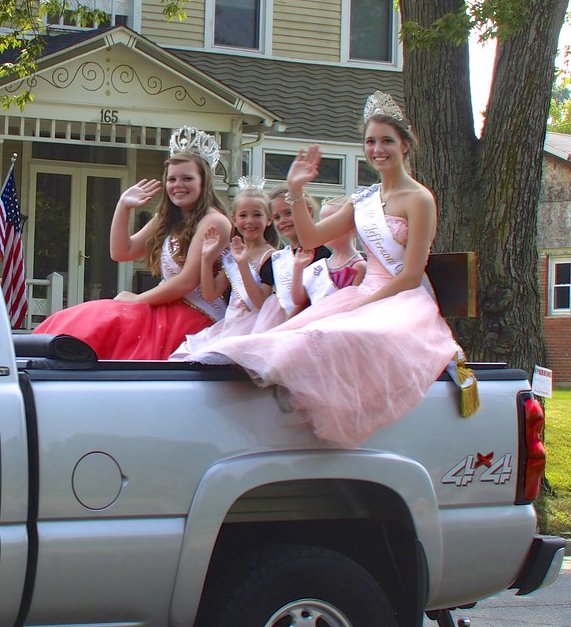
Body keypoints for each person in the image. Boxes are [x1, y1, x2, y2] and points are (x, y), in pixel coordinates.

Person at [177, 92, 461, 448]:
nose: (378, 149)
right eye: (370, 141)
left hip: (403, 299)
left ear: (404, 145)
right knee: (295, 337)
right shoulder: (366, 200)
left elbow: (409, 274)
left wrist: (361, 304)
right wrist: (296, 190)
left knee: (336, 335)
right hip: (362, 296)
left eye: (387, 141)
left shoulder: (420, 199)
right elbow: (310, 236)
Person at [33, 126, 233, 360]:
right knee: (90, 316)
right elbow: (121, 251)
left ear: (204, 181)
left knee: (111, 318)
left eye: (187, 178)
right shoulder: (167, 219)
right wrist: (123, 206)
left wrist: (137, 299)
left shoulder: (214, 221)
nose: (178, 185)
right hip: (167, 305)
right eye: (172, 179)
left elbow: (187, 282)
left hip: (197, 313)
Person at [169, 181, 277, 358]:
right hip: (230, 325)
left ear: (269, 219)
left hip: (254, 328)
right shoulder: (233, 256)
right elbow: (210, 293)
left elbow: (261, 305)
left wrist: (243, 265)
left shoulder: (272, 258)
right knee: (185, 355)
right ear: (234, 219)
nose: (250, 221)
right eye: (243, 215)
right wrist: (207, 258)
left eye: (257, 215)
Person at [260, 186, 331, 327]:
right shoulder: (275, 261)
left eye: (288, 213)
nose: (283, 220)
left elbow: (309, 300)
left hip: (307, 323)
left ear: (307, 212)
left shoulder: (323, 256)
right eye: (277, 217)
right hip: (276, 322)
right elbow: (261, 302)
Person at [289, 196, 367, 315]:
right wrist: (297, 268)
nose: (325, 227)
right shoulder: (322, 264)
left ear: (352, 227)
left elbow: (354, 309)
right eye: (322, 221)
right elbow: (298, 300)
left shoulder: (359, 267)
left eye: (331, 222)